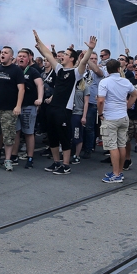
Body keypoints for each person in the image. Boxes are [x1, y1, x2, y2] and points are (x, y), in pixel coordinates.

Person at [33, 30, 96, 175]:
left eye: (67, 55)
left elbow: (84, 61)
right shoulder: (59, 69)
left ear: (72, 59)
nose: (63, 56)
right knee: (53, 136)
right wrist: (39, 40)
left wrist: (91, 49)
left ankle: (66, 165)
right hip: (53, 108)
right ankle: (56, 162)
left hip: (64, 110)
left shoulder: (76, 73)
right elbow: (47, 54)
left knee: (63, 137)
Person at [97, 59, 137, 183]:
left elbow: (101, 100)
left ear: (107, 70)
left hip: (110, 117)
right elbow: (135, 94)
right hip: (123, 116)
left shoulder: (105, 82)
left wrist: (100, 113)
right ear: (119, 68)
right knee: (121, 144)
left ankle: (115, 174)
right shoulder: (125, 81)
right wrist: (127, 106)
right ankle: (119, 171)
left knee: (112, 146)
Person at [15, 48, 44, 169]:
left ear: (29, 59)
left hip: (28, 106)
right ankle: (13, 155)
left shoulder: (33, 71)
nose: (21, 58)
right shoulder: (14, 70)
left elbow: (40, 84)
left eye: (24, 56)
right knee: (16, 132)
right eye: (19, 56)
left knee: (28, 132)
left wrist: (40, 99)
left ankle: (30, 157)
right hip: (15, 106)